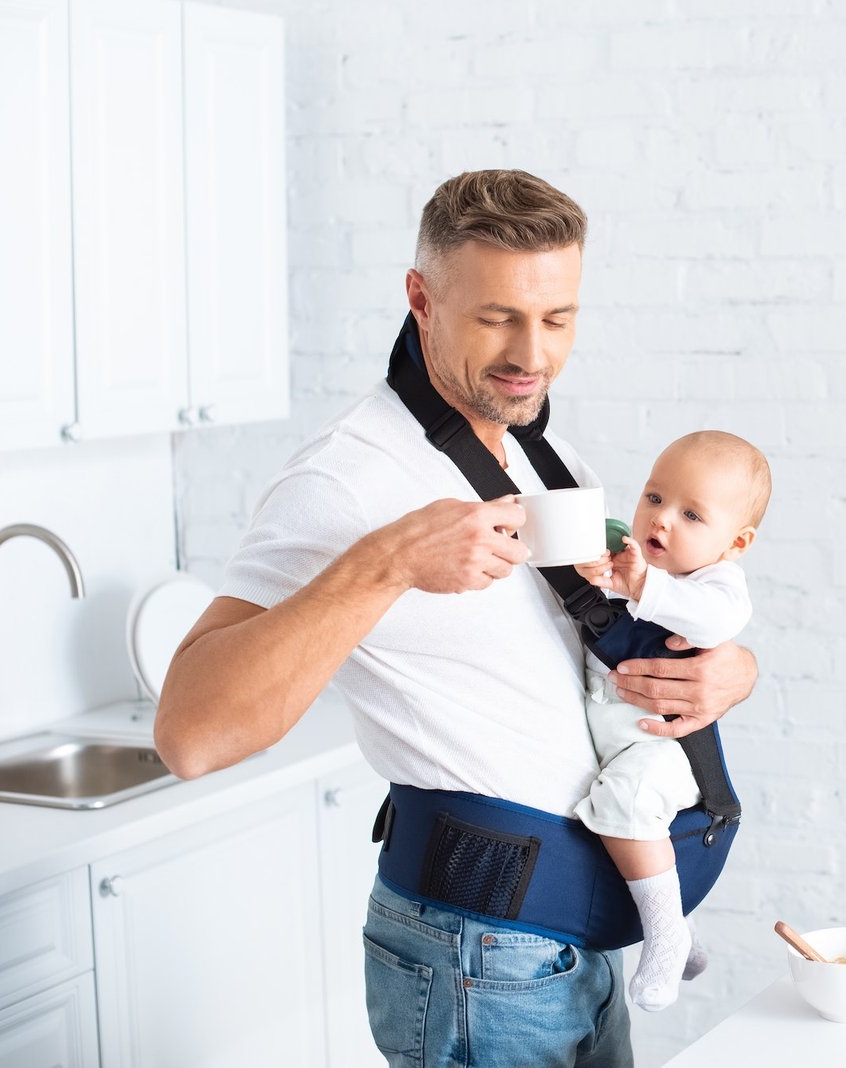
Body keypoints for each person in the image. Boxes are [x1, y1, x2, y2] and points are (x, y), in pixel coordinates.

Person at [153, 169, 759, 1068]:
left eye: (557, 319)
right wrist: (387, 562)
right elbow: (189, 733)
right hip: (473, 957)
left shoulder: (539, 446)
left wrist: (728, 671)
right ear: (421, 299)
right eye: (496, 317)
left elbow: (604, 630)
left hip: (570, 945)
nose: (532, 354)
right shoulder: (344, 478)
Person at [572, 430, 771, 1012]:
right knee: (607, 833)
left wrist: (640, 586)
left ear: (735, 542)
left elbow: (710, 622)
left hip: (658, 751)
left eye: (691, 514)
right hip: (603, 741)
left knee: (627, 805)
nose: (662, 521)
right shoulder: (627, 565)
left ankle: (664, 936)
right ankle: (676, 926)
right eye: (655, 498)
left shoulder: (716, 588)